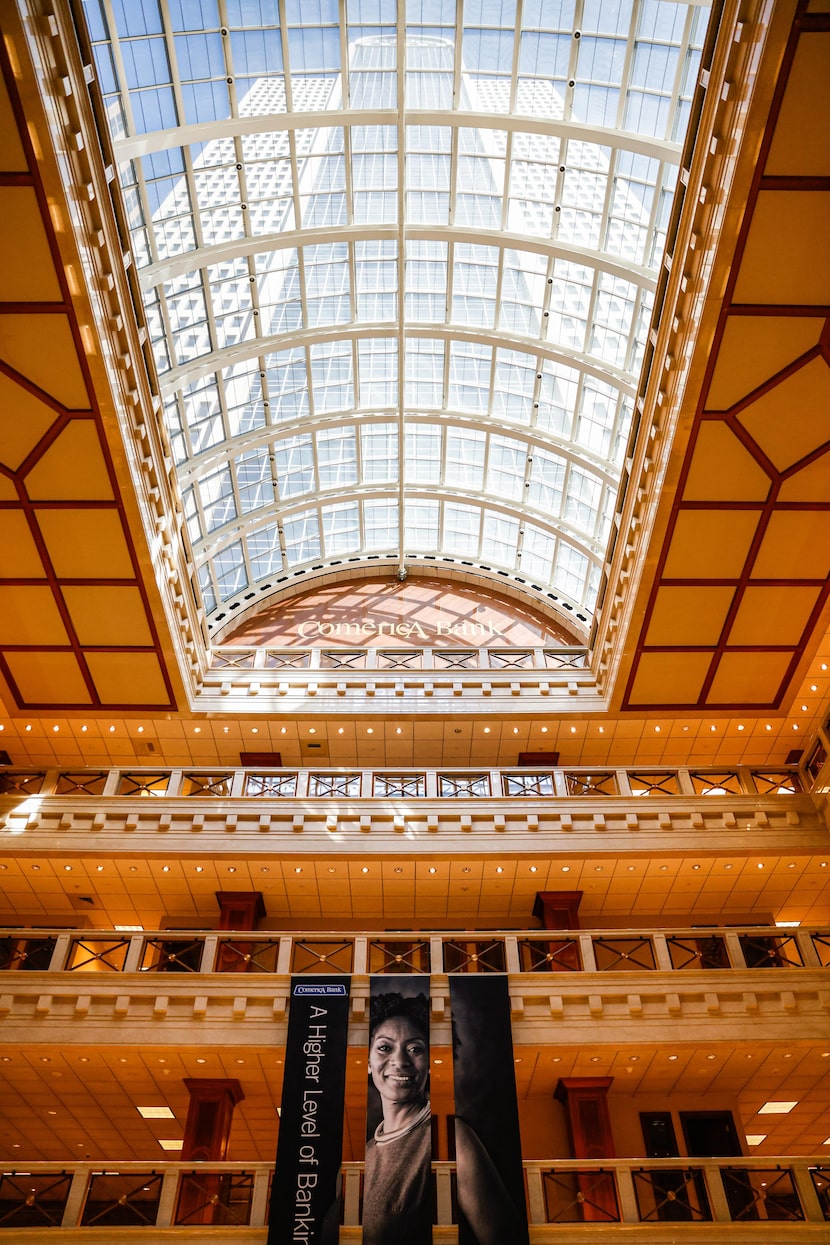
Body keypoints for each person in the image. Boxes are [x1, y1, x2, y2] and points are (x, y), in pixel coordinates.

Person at [362, 992, 432, 1245]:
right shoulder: (367, 1152)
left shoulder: (451, 1139)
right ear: (368, 1061)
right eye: (384, 1048)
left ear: (429, 1061)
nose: (400, 1061)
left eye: (414, 1048)